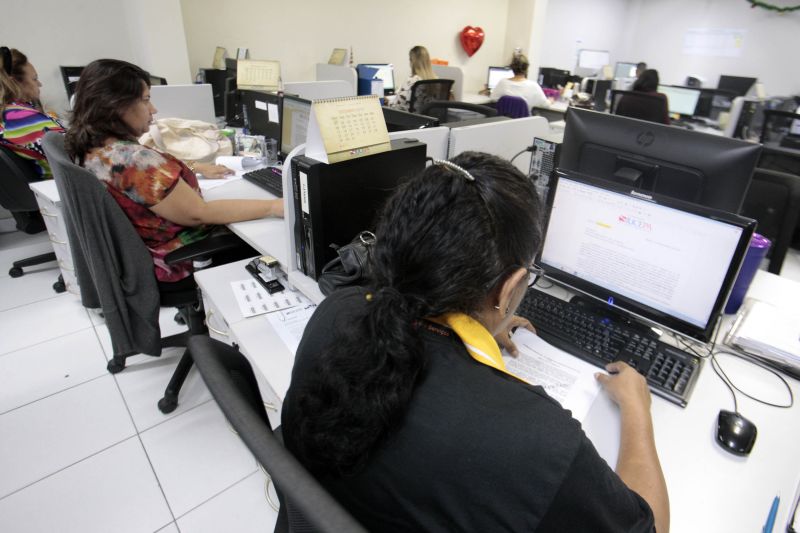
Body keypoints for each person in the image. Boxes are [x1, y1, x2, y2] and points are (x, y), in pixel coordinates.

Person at [282, 152, 670, 532]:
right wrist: (637, 408)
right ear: (510, 287)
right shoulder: (538, 441)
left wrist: (481, 328)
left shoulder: (337, 312)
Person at [65, 59, 283, 285]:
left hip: (150, 249)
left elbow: (154, 179)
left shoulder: (94, 149)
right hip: (183, 258)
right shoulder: (134, 160)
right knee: (271, 235)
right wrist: (273, 206)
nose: (153, 109)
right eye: (146, 100)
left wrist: (196, 167)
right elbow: (199, 213)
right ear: (116, 105)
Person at [0, 47, 66, 178]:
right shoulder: (19, 117)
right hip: (69, 187)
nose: (39, 84)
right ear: (15, 82)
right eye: (35, 79)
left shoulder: (10, 114)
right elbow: (76, 152)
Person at [390, 45, 437, 112]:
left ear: (412, 61)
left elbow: (396, 106)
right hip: (428, 120)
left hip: (410, 120)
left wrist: (388, 102)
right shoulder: (435, 80)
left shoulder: (411, 80)